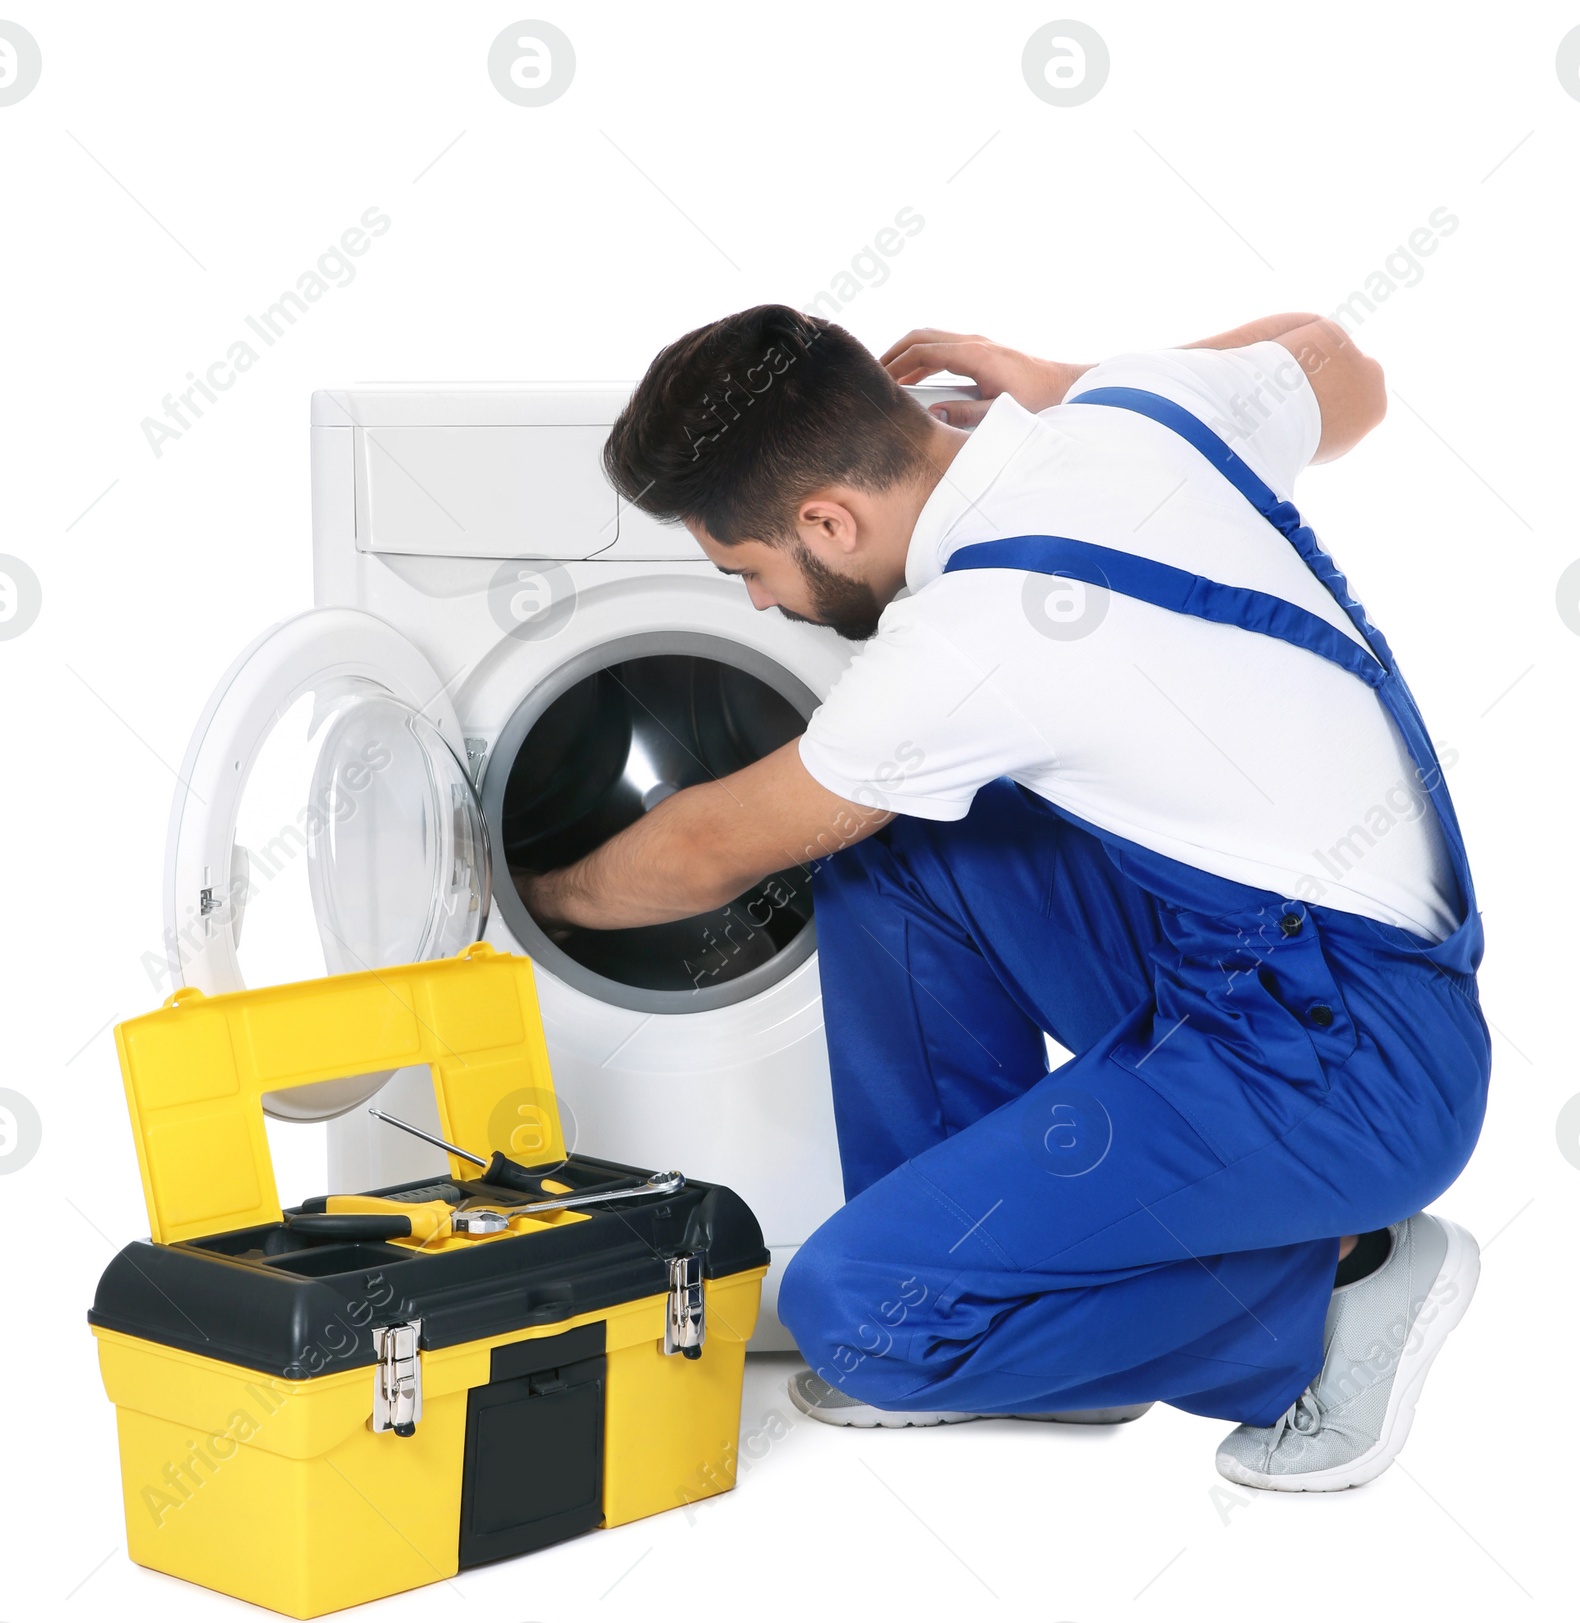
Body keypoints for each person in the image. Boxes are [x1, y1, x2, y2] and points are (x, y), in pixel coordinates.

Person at [515, 305, 1490, 1490]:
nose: (762, 607)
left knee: (853, 1316)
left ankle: (1334, 1299)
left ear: (828, 518)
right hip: (1269, 969)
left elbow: (711, 848)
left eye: (751, 570)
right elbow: (1347, 371)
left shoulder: (969, 637)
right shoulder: (1135, 412)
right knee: (897, 849)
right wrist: (1077, 378)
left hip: (1347, 1073)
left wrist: (527, 895)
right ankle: (1000, 1310)